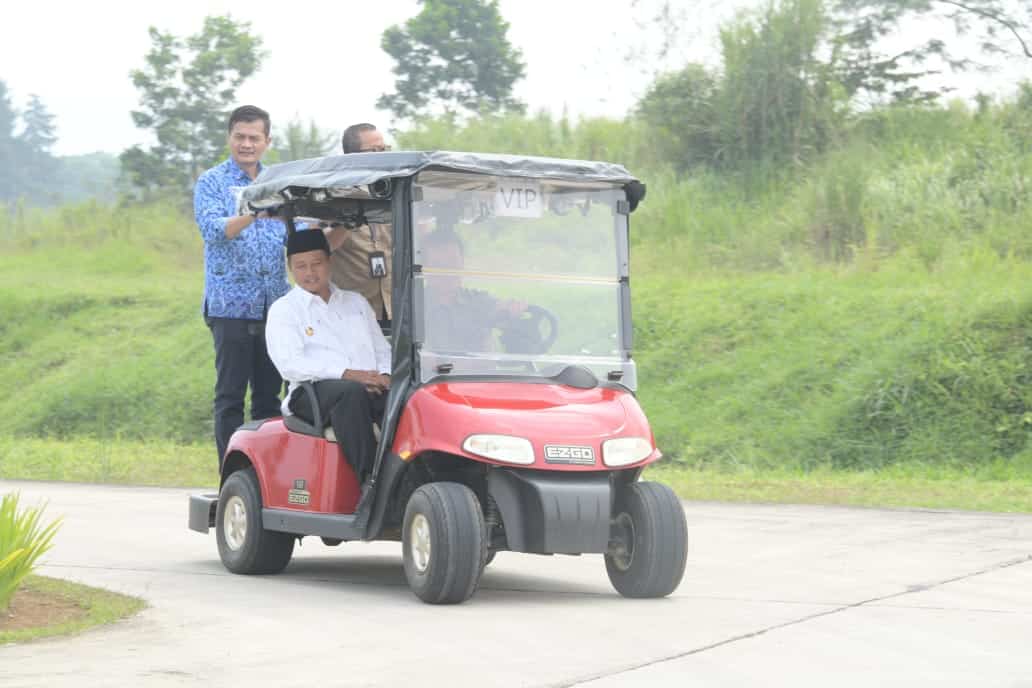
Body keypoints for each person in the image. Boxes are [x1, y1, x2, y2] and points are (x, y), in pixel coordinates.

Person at [194, 105, 289, 466]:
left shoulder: (279, 183)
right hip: (229, 306)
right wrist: (255, 212)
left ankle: (263, 477)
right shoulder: (212, 181)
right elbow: (213, 230)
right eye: (240, 137)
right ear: (229, 137)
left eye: (254, 138)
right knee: (230, 397)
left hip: (274, 306)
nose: (247, 144)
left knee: (269, 399)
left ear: (267, 141)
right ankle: (231, 474)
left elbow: (300, 233)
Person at [266, 229, 391, 484]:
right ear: (291, 269)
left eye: (317, 264)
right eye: (301, 266)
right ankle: (369, 481)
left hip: (368, 386)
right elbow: (291, 364)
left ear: (330, 263)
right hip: (312, 392)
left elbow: (381, 349)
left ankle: (410, 475)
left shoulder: (356, 302)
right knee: (349, 393)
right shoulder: (285, 310)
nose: (310, 273)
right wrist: (348, 374)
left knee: (408, 395)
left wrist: (387, 376)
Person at [325, 123, 393, 327]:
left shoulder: (391, 191)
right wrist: (350, 220)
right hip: (353, 314)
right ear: (351, 157)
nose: (381, 156)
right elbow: (320, 246)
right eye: (374, 151)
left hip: (392, 308)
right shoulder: (331, 195)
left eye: (383, 150)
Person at [420, 229, 526, 353]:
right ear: (424, 268)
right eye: (438, 265)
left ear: (463, 263)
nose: (447, 272)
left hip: (478, 372)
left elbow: (501, 313)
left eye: (453, 263)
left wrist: (513, 311)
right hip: (433, 372)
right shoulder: (414, 307)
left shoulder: (479, 301)